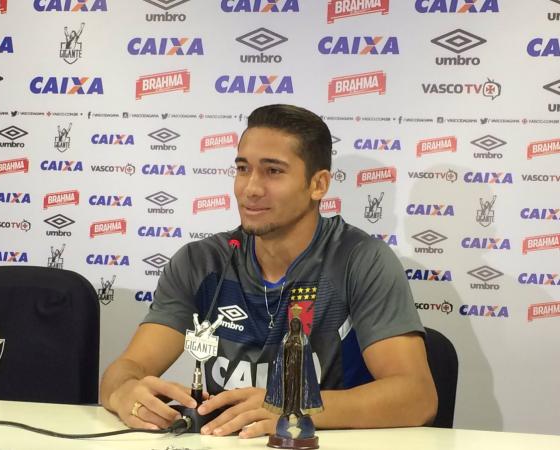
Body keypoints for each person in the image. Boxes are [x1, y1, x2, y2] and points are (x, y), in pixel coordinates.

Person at [100, 104, 437, 438]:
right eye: (243, 168)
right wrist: (124, 392)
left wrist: (293, 407)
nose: (251, 188)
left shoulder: (360, 260)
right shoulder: (201, 262)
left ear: (318, 185)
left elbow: (416, 397)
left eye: (273, 171)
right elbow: (126, 369)